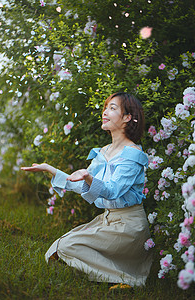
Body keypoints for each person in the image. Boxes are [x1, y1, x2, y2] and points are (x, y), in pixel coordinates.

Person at [21, 92, 152, 287]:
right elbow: (80, 184)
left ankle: (129, 280)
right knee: (58, 248)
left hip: (128, 228)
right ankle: (117, 275)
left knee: (66, 246)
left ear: (127, 118)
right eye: (106, 107)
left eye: (112, 108)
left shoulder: (133, 154)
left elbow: (112, 190)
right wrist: (51, 170)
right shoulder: (104, 152)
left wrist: (89, 177)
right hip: (108, 221)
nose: (105, 112)